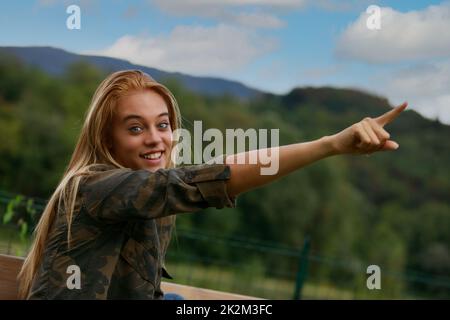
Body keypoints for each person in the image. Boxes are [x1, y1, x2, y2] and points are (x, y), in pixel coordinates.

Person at [17, 70, 407, 299]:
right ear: (107, 139)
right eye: (135, 128)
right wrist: (329, 145)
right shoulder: (97, 188)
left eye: (163, 124)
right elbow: (211, 177)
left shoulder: (149, 196)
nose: (156, 138)